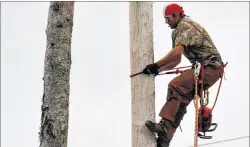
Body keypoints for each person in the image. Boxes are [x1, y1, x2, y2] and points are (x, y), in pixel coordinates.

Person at [142, 3, 224, 147]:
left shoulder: (185, 26)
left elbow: (177, 53)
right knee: (181, 100)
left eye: (168, 18)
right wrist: (157, 70)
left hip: (210, 68)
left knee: (175, 85)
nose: (166, 22)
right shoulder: (178, 30)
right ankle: (164, 141)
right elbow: (176, 60)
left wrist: (156, 65)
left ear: (177, 15)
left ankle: (165, 127)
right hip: (209, 70)